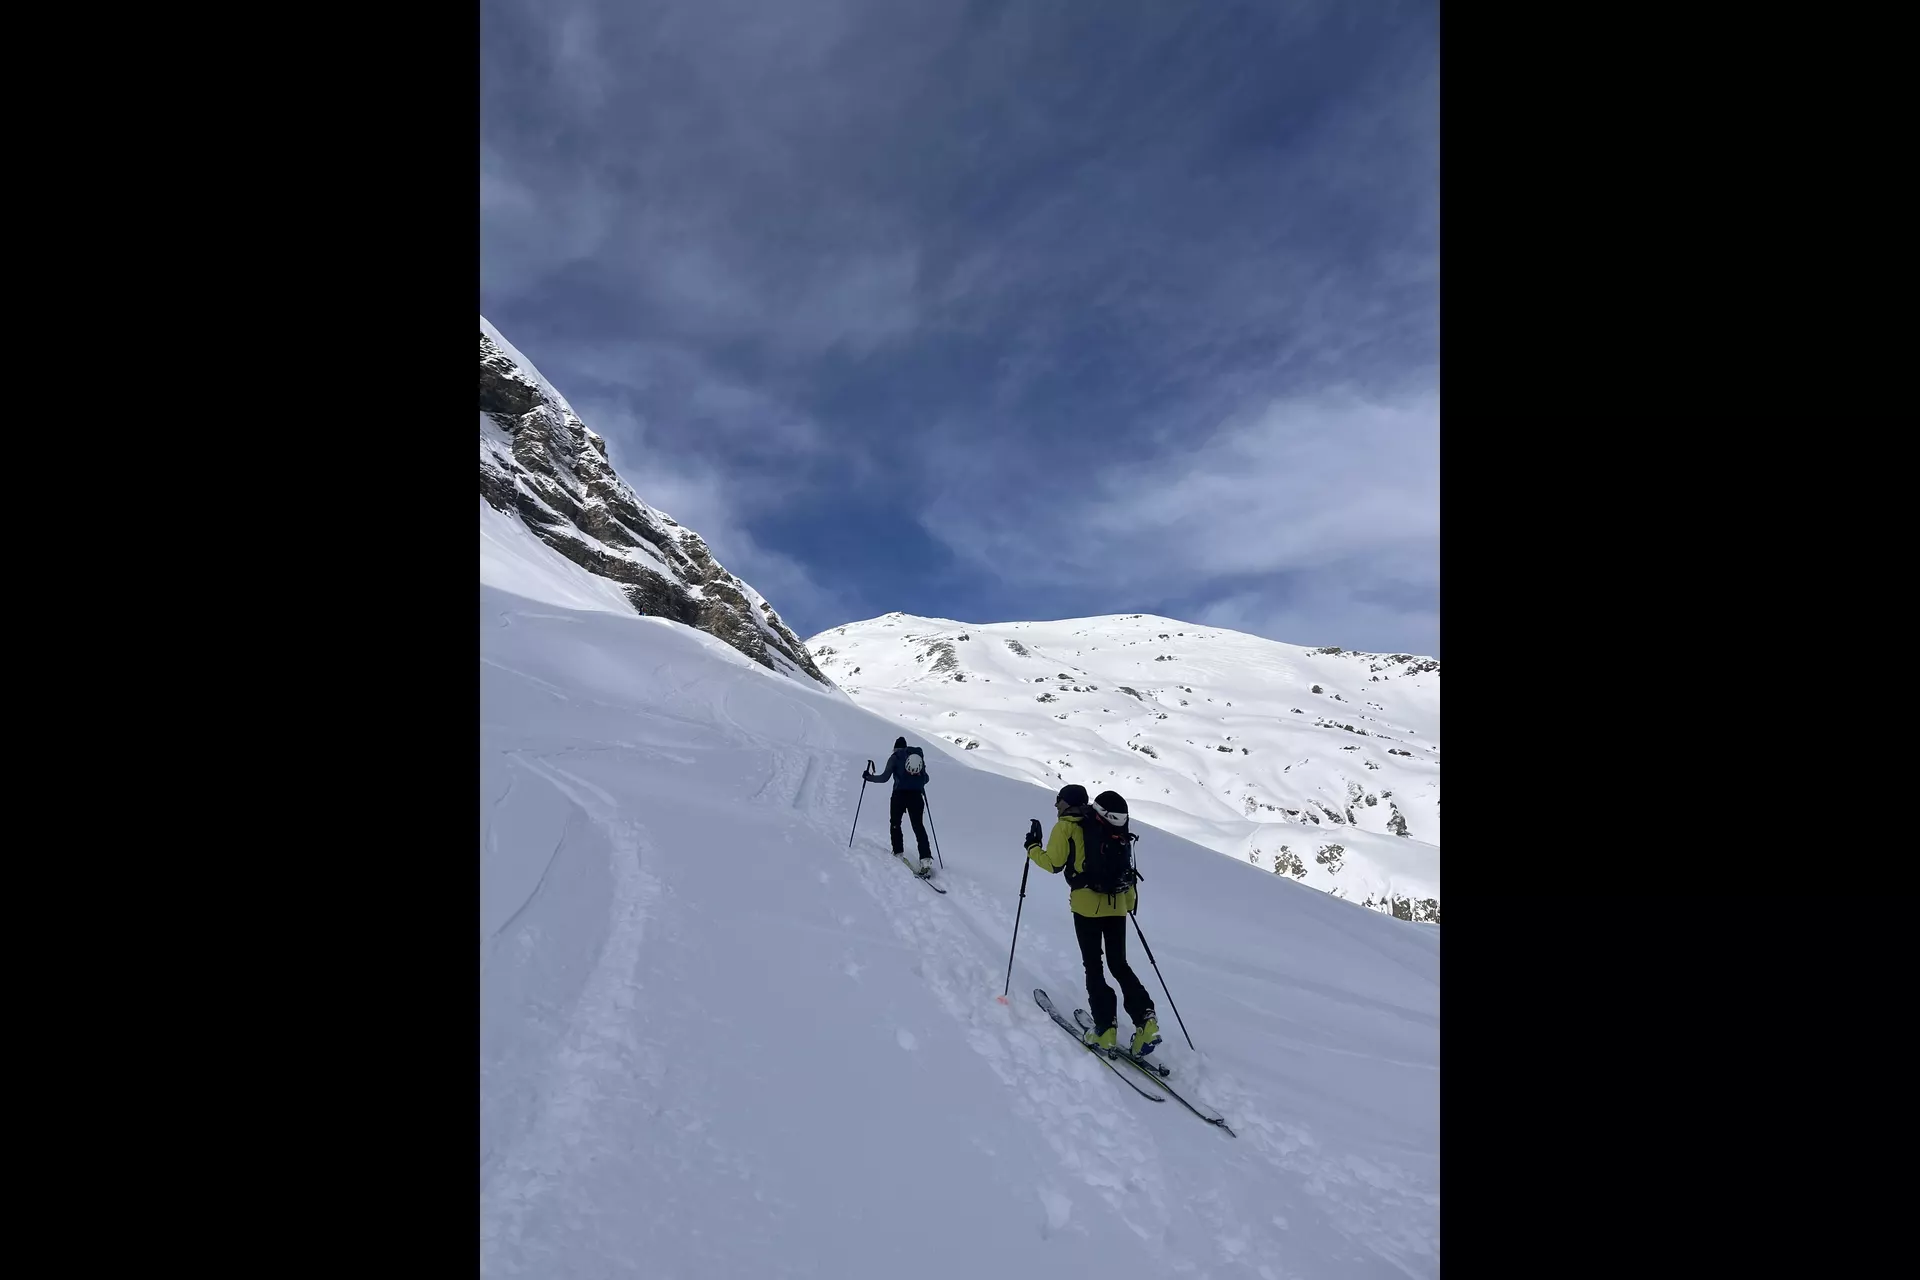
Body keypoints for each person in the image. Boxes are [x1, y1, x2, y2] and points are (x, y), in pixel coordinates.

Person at [1024, 785, 1161, 1056]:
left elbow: (1053, 864)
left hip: (1086, 906)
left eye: (1058, 801)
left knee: (1094, 966)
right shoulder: (1110, 825)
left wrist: (1032, 847)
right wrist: (1127, 903)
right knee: (1119, 965)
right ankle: (1147, 1021)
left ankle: (1105, 1030)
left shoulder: (1067, 827)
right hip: (1117, 905)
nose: (1055, 806)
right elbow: (1125, 868)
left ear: (1067, 803)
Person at [864, 736, 933, 875]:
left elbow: (884, 778)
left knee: (895, 823)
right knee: (918, 826)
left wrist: (868, 777)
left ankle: (898, 852)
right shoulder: (917, 756)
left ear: (895, 747)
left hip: (899, 795)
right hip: (916, 796)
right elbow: (926, 778)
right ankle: (925, 859)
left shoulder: (895, 757)